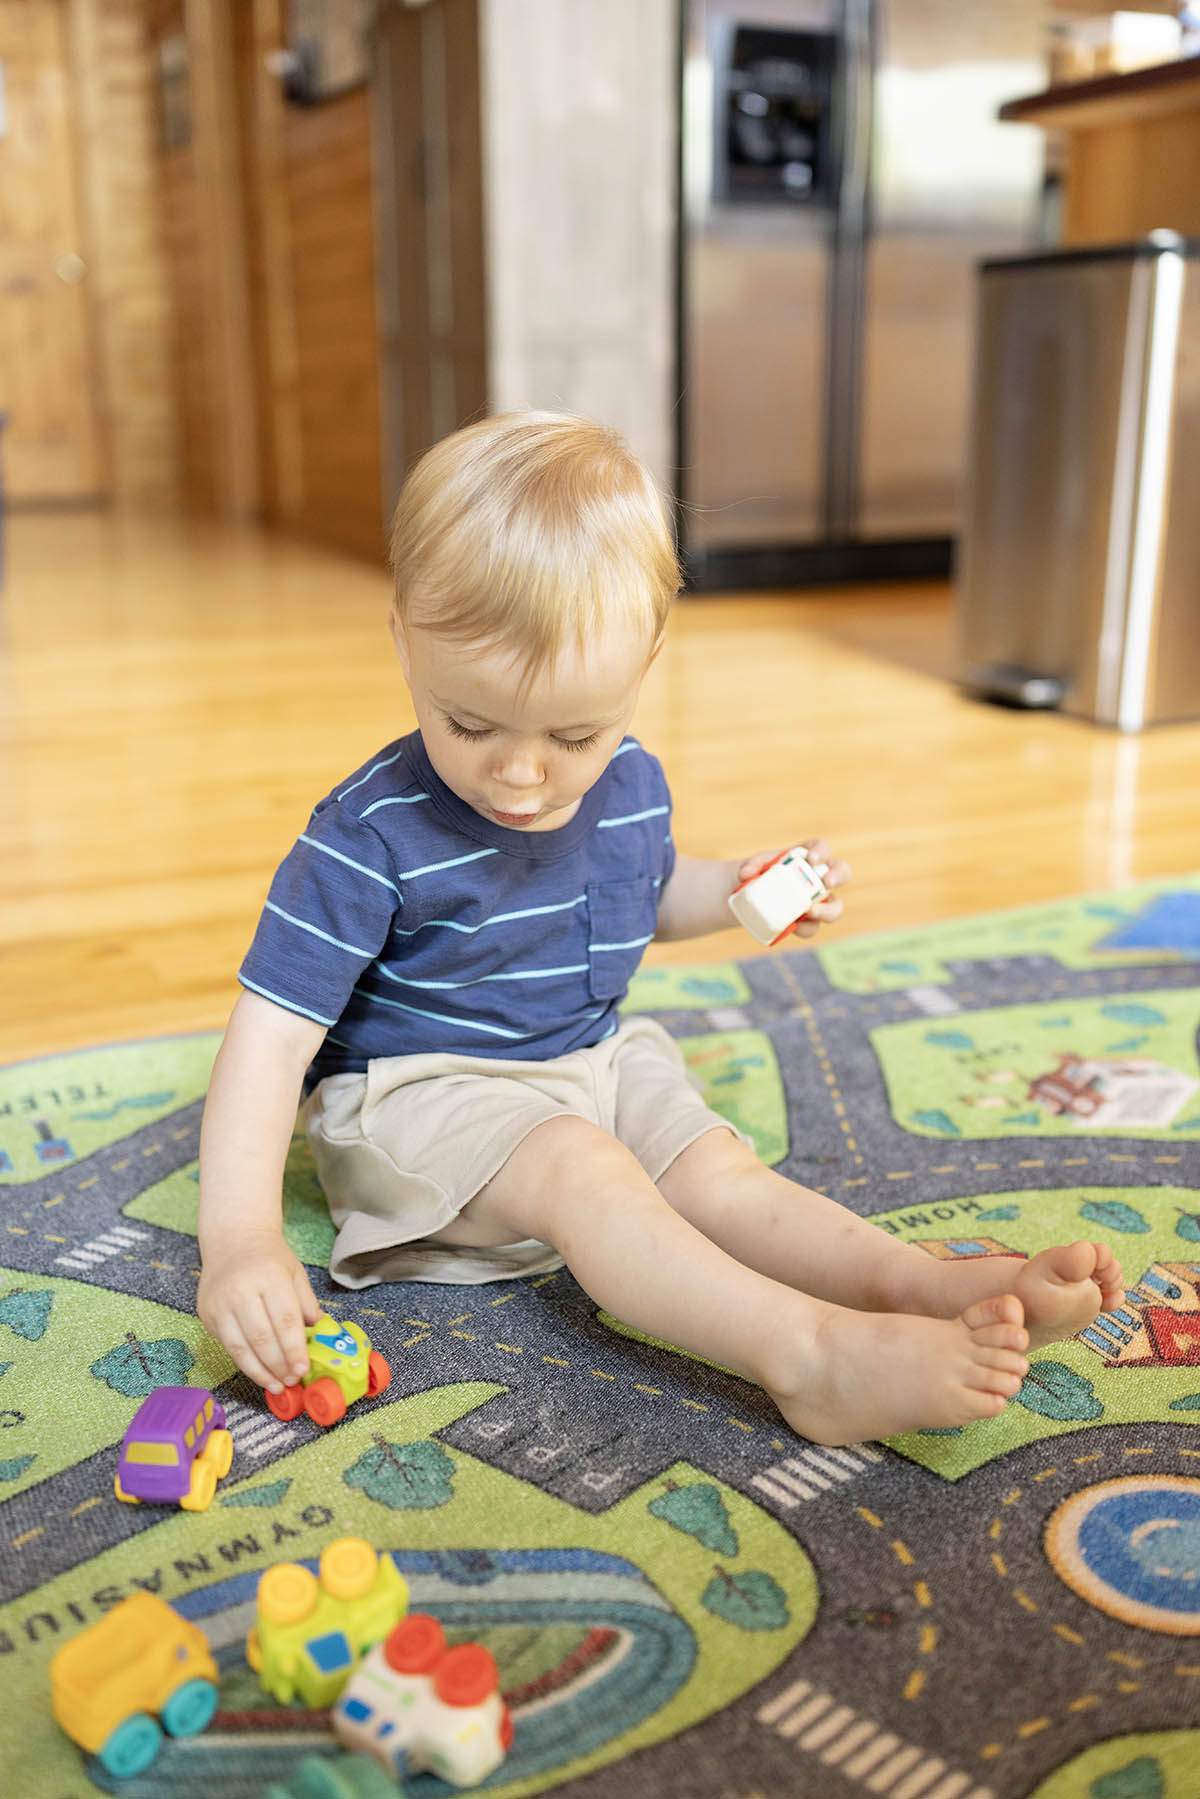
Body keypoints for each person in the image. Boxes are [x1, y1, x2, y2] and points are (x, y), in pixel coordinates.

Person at [197, 412, 1124, 1447]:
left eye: (574, 733)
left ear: (648, 658)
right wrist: (239, 1240)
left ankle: (917, 1282)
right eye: (470, 722)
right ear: (403, 637)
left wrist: (738, 890)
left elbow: (646, 893)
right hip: (421, 1100)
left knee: (717, 1170)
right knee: (584, 1167)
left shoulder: (631, 781)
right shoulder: (366, 835)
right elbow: (269, 1036)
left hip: (588, 1056)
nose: (520, 773)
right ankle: (809, 1355)